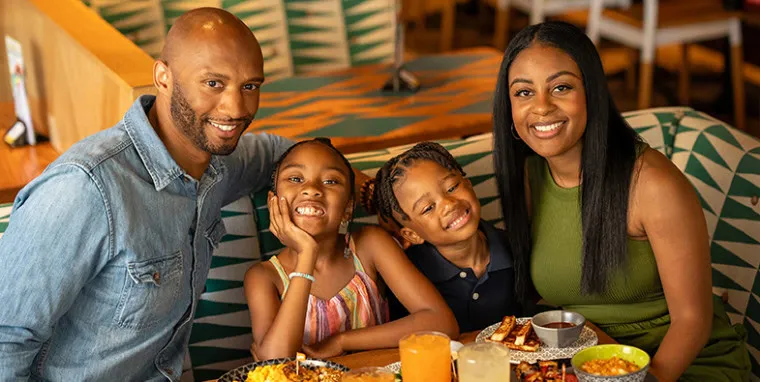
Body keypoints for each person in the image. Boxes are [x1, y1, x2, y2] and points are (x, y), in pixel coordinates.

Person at [0, 8, 294, 380]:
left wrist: (369, 187)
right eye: (213, 84)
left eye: (250, 86)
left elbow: (278, 153)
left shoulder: (216, 165)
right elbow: (4, 340)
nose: (236, 108)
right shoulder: (85, 189)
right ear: (163, 77)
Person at [492, 21, 750, 381]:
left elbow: (692, 321)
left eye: (561, 87)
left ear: (592, 93)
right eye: (523, 93)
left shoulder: (651, 183)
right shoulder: (528, 177)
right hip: (592, 364)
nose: (541, 108)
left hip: (679, 366)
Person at [244, 138, 458, 360]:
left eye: (330, 181)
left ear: (348, 209)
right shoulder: (264, 277)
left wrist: (341, 340)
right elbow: (274, 361)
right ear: (273, 202)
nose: (311, 189)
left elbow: (442, 323)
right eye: (295, 178)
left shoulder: (369, 246)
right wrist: (307, 254)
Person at [371, 142, 520, 332]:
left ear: (468, 183)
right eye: (428, 208)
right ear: (412, 235)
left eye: (452, 187)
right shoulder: (408, 277)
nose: (449, 204)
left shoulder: (517, 248)